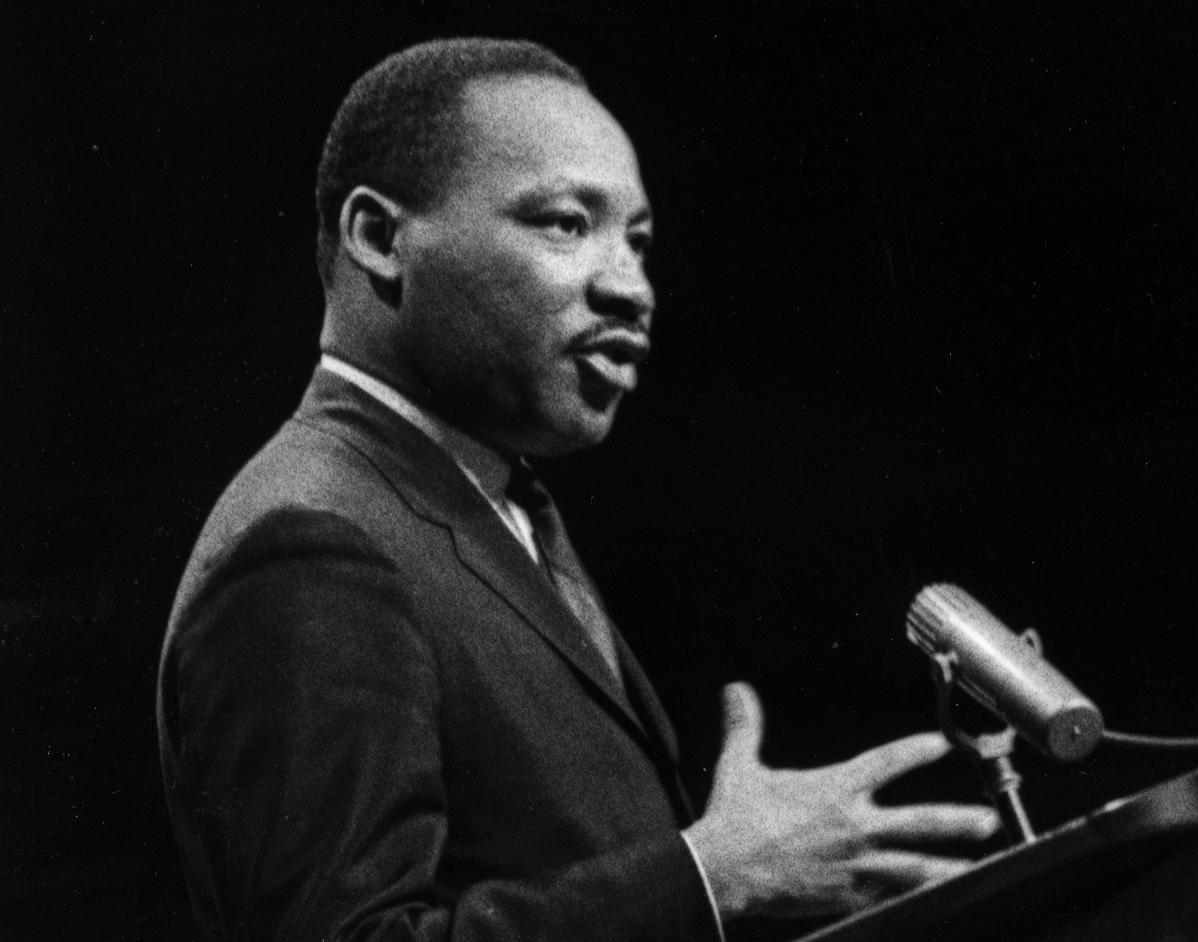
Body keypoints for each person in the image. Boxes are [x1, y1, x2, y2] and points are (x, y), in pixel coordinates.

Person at [155, 37, 998, 941]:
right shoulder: (314, 543)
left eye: (638, 242)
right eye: (564, 223)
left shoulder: (494, 501)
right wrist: (708, 878)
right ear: (381, 239)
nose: (631, 289)